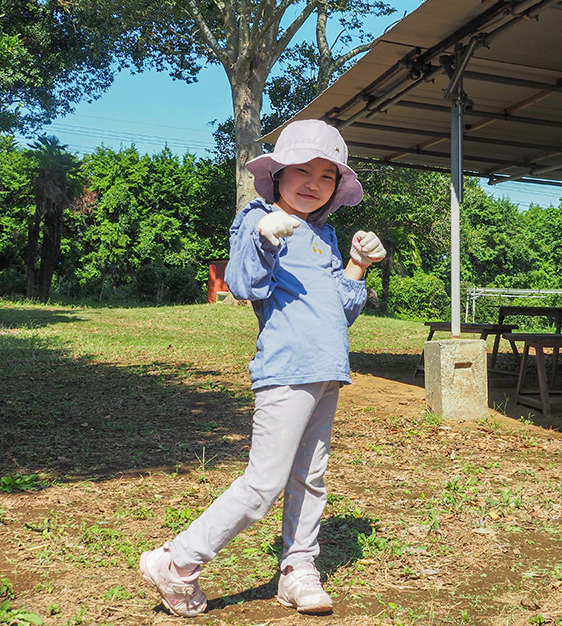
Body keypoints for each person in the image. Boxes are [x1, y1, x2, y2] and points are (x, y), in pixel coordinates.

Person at [139, 119, 386, 617]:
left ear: (336, 188)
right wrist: (266, 239)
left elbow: (340, 312)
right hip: (286, 370)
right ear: (276, 175)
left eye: (326, 175)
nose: (313, 183)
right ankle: (178, 560)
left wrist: (357, 265)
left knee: (309, 479)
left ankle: (299, 569)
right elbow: (244, 283)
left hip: (325, 370)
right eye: (302, 170)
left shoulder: (325, 236)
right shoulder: (256, 217)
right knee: (264, 481)